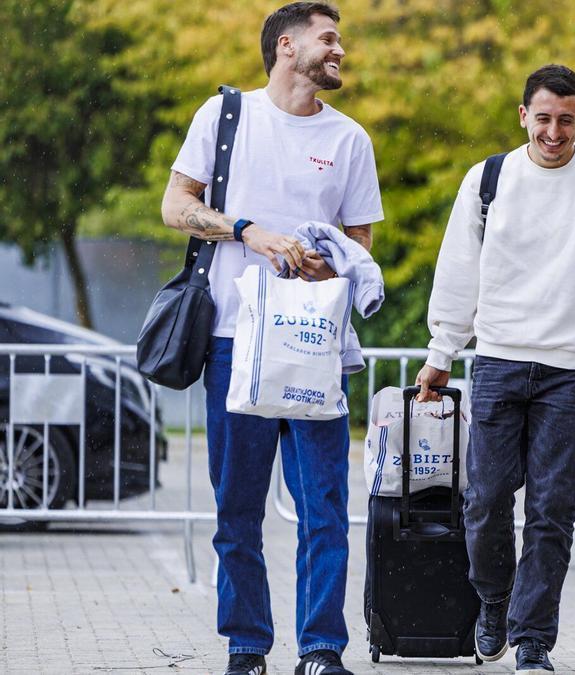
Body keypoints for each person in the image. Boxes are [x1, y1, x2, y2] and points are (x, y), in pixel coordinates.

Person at [415, 64, 575, 674]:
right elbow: (458, 270)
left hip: (571, 369)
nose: (553, 131)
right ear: (523, 115)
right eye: (543, 118)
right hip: (499, 360)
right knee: (485, 501)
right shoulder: (490, 178)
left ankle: (533, 640)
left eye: (566, 119)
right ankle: (495, 603)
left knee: (552, 510)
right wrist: (440, 353)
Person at [161, 3, 383, 674]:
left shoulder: (351, 141)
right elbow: (174, 207)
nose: (339, 48)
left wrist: (327, 258)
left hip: (315, 345)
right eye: (328, 37)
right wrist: (246, 229)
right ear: (287, 46)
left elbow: (361, 244)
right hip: (234, 341)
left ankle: (320, 648)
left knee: (324, 506)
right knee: (238, 509)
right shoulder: (225, 116)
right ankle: (247, 647)